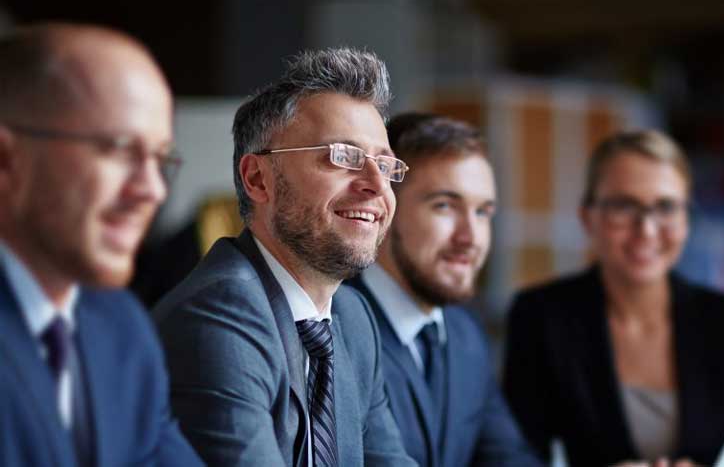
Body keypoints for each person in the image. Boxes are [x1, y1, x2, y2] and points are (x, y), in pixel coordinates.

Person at [153, 48, 416, 466]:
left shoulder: (353, 318)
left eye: (384, 165)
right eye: (343, 157)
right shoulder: (217, 315)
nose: (375, 186)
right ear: (258, 178)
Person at [504, 129, 724, 467]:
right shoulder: (541, 317)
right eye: (623, 206)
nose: (646, 229)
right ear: (588, 217)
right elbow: (514, 459)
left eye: (666, 207)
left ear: (687, 220)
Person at [0, 23, 203, 466]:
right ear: (7, 160)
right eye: (118, 149)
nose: (152, 190)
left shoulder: (120, 325)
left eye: (160, 159)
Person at [345, 113, 541, 467]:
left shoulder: (466, 334)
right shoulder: (333, 329)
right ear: (384, 205)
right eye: (445, 206)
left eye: (483, 212)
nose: (469, 238)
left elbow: (509, 459)